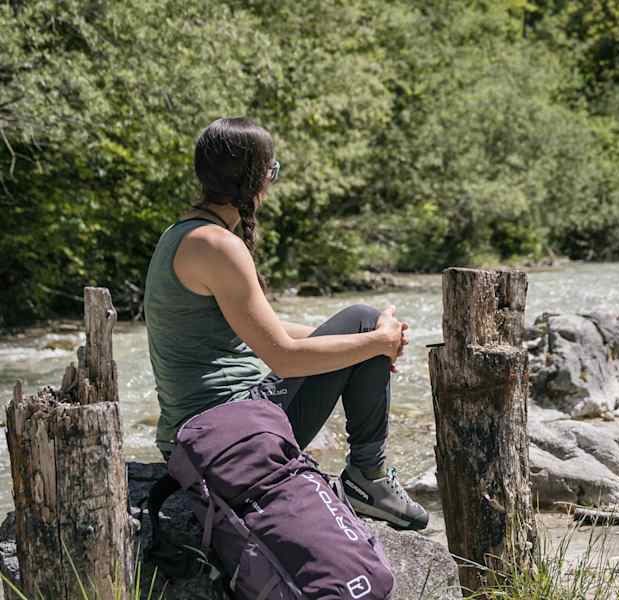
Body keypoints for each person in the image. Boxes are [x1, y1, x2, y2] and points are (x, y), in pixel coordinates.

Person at [144, 117, 428, 531]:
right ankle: (370, 477)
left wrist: (367, 343)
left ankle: (370, 477)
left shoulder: (185, 234)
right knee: (366, 321)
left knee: (362, 327)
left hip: (193, 437)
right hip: (226, 441)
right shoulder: (218, 246)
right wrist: (374, 340)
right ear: (255, 179)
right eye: (271, 171)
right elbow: (285, 357)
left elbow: (265, 327)